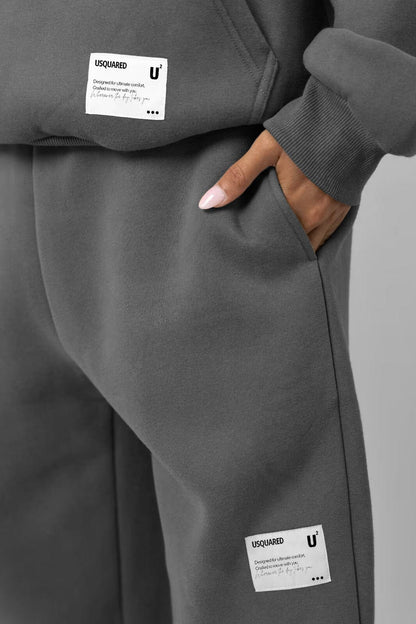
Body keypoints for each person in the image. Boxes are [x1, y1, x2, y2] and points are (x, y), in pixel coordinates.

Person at [0, 1, 415, 623]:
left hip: (214, 169)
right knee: (43, 589)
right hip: (11, 149)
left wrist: (342, 124)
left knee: (271, 595)